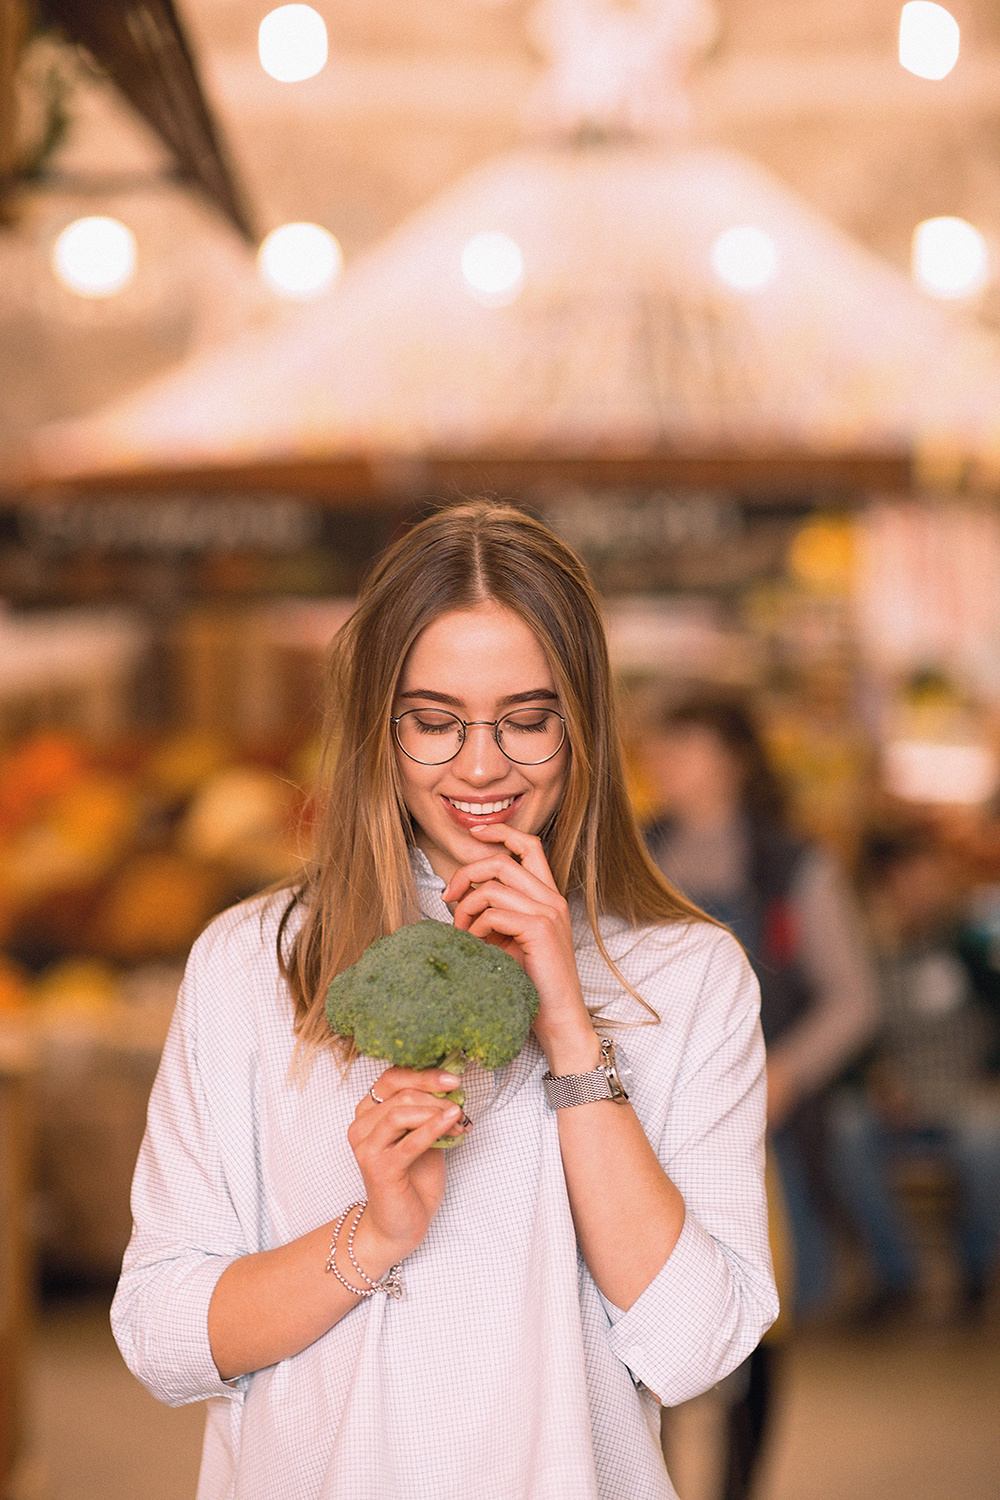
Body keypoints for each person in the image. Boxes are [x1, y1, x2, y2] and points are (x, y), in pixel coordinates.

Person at [111, 500, 777, 1500]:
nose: (479, 766)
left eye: (526, 719)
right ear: (377, 727)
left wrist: (565, 1023)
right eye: (433, 722)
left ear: (582, 722)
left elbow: (696, 1350)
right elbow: (161, 1336)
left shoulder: (686, 973)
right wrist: (372, 1236)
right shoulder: (255, 962)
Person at [641, 692, 875, 1500]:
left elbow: (854, 999)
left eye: (687, 748)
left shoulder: (793, 863)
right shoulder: (634, 854)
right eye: (662, 750)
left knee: (759, 1319)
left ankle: (742, 1486)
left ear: (735, 758)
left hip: (761, 1129)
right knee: (645, 1308)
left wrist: (783, 1074)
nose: (668, 767)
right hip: (647, 1120)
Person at [827, 824, 1000, 1322]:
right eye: (906, 878)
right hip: (903, 1096)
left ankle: (975, 1267)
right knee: (845, 1130)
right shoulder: (871, 955)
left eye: (929, 874)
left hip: (972, 1090)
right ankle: (895, 1275)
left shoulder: (974, 939)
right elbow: (855, 1040)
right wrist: (876, 1080)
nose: (921, 888)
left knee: (985, 1141)